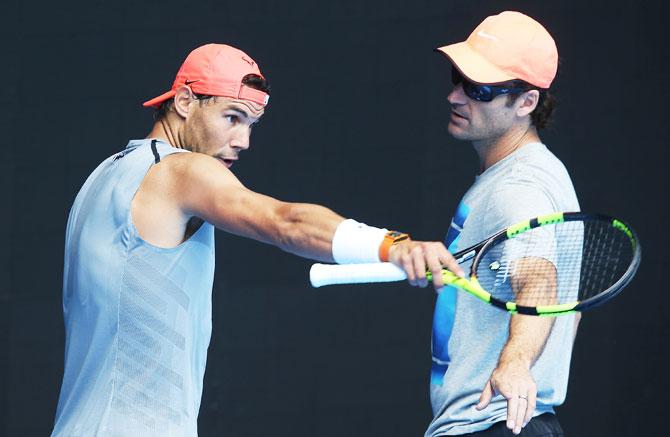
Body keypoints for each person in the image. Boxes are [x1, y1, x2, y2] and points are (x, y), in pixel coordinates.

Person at [51, 43, 463, 436]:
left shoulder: (103, 176)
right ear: (184, 102)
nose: (243, 141)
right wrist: (394, 245)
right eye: (232, 117)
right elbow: (284, 221)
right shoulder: (181, 171)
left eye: (251, 125)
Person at [426, 11, 580, 437]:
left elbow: (539, 280)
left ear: (526, 102)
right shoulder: (540, 174)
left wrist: (514, 362)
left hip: (493, 424)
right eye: (458, 79)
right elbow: (569, 309)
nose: (457, 97)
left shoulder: (520, 187)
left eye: (480, 89)